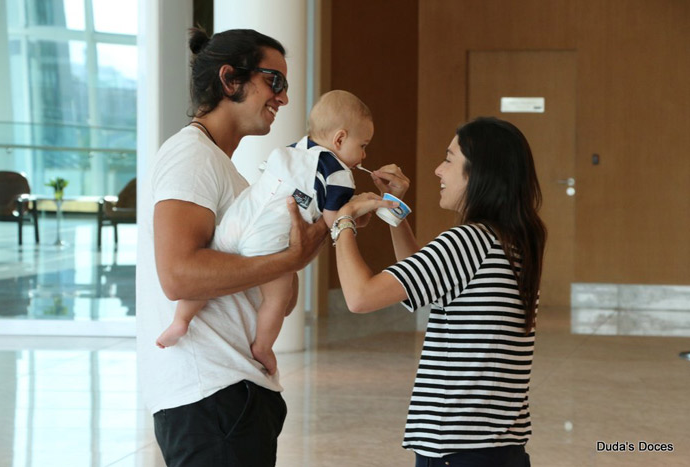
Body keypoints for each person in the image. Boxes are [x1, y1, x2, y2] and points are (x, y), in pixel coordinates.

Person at [136, 28, 327, 467]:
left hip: (229, 397)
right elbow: (179, 275)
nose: (282, 98)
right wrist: (290, 258)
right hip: (212, 397)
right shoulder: (192, 158)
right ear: (230, 79)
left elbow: (271, 285)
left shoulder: (228, 174)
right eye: (273, 81)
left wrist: (298, 252)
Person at [331, 117, 546, 467]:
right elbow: (426, 281)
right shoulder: (514, 241)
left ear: (479, 174)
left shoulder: (468, 241)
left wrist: (343, 221)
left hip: (455, 448)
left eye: (449, 159)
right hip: (500, 448)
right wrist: (394, 210)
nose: (437, 170)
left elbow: (359, 297)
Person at [156, 90, 375, 377]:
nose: (364, 155)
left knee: (210, 274)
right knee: (277, 299)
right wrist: (359, 211)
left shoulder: (294, 148)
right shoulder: (339, 175)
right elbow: (335, 220)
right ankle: (262, 346)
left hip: (238, 219)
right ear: (339, 139)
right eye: (363, 145)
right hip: (268, 239)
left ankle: (181, 321)